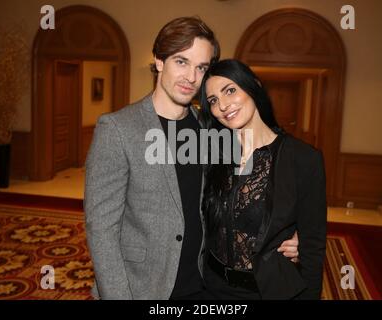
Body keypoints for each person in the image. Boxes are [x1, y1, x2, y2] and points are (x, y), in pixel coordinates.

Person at [84, 17, 298, 300]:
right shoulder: (117, 129)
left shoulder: (210, 127)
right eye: (181, 62)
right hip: (142, 288)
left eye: (201, 67)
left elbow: (243, 195)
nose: (191, 77)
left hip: (203, 285)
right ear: (159, 61)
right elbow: (101, 229)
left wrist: (289, 234)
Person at [199, 59, 327, 300]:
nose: (223, 105)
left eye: (230, 90)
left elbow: (313, 247)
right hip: (212, 288)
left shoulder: (303, 159)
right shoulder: (210, 153)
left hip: (268, 291)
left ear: (253, 86)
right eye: (213, 100)